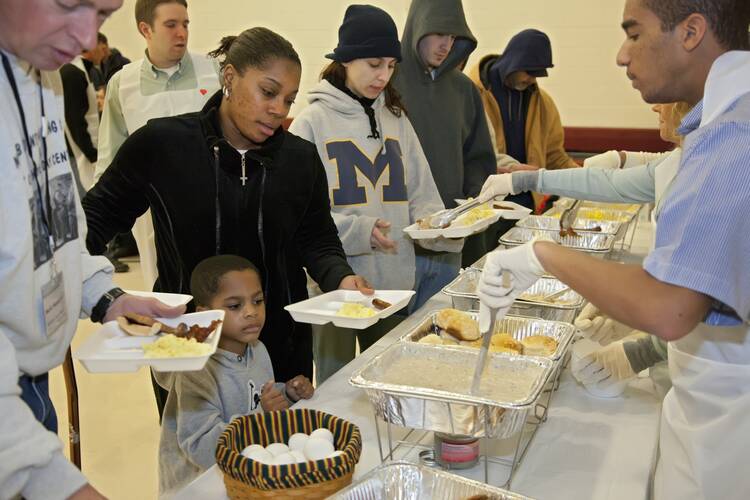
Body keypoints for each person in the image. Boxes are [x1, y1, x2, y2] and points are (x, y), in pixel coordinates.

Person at [476, 1, 750, 498]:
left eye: (634, 34)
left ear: (691, 31)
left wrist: (543, 255)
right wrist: (531, 178)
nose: (623, 56)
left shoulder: (734, 133)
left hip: (730, 433)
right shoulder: (724, 125)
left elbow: (671, 306)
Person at [83, 27, 371, 408]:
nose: (279, 110)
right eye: (268, 92)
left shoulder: (299, 159)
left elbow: (317, 239)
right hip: (190, 351)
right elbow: (90, 221)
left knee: (283, 459)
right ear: (230, 77)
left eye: (288, 99)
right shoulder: (162, 145)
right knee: (198, 461)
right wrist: (96, 292)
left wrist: (341, 277)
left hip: (279, 349)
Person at [0, 1, 186, 498]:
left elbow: (55, 219)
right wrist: (53, 481)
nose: (86, 39)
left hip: (29, 381)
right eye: (68, 4)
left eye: (103, 15)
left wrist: (105, 295)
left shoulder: (44, 73)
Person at [289, 4, 462, 383]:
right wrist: (359, 230)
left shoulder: (396, 118)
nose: (383, 75)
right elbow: (301, 217)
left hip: (394, 286)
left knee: (389, 380)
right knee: (334, 385)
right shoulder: (311, 123)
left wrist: (442, 226)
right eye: (373, 64)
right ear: (346, 59)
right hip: (334, 287)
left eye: (390, 65)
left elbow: (421, 193)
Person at [156, 255, 313, 494]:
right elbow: (202, 449)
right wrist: (262, 417)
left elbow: (256, 396)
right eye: (234, 306)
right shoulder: (196, 370)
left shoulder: (258, 350)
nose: (251, 312)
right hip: (198, 487)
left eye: (258, 301)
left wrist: (287, 394)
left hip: (242, 477)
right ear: (205, 314)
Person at [95, 0, 221, 290]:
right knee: (163, 292)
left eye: (185, 24)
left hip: (210, 204)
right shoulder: (122, 84)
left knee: (214, 288)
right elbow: (110, 157)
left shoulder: (212, 71)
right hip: (151, 214)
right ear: (145, 29)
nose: (182, 33)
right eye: (171, 25)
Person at [392, 0, 496, 301]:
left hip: (450, 244)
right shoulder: (386, 82)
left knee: (438, 332)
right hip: (396, 243)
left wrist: (473, 206)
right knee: (386, 339)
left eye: (453, 37)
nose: (446, 45)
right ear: (418, 27)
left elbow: (478, 157)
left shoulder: (464, 90)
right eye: (439, 33)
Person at [469, 29, 578, 212]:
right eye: (530, 72)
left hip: (527, 204)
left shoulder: (543, 103)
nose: (532, 79)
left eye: (538, 74)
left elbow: (555, 156)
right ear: (514, 62)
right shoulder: (471, 94)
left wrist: (585, 178)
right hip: (485, 201)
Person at [60, 57, 100, 191]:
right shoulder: (71, 73)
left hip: (86, 148)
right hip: (82, 153)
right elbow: (75, 121)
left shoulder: (78, 69)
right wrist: (93, 155)